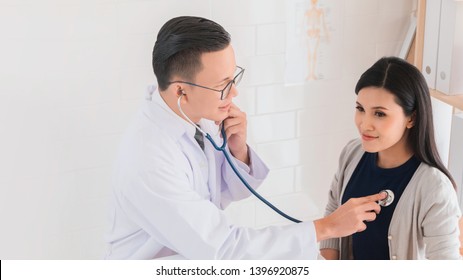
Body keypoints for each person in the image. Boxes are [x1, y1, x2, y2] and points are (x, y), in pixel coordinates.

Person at [104, 16, 386, 260]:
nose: (234, 94)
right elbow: (224, 248)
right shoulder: (149, 158)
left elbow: (218, 195)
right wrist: (327, 227)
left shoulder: (194, 116)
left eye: (233, 79)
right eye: (223, 85)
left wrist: (237, 152)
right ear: (181, 91)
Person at [320, 57, 462, 260]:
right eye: (360, 109)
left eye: (379, 114)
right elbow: (333, 210)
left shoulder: (434, 187)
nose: (365, 124)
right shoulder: (352, 154)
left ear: (411, 118)